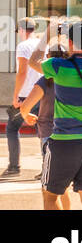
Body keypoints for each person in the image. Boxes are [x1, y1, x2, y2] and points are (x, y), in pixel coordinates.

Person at [40, 20, 82, 211]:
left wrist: (48, 35)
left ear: (69, 42)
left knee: (50, 196)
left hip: (64, 141)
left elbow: (32, 62)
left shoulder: (57, 66)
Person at [19, 34, 70, 209]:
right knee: (63, 187)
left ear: (48, 58)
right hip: (70, 135)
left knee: (48, 189)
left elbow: (25, 106)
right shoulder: (71, 78)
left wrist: (26, 115)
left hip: (50, 135)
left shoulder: (45, 80)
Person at [5, 18, 40, 178]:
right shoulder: (42, 45)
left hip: (25, 95)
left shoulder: (23, 46)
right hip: (41, 92)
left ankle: (14, 167)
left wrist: (15, 96)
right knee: (44, 130)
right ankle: (47, 168)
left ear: (21, 30)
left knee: (12, 128)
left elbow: (22, 73)